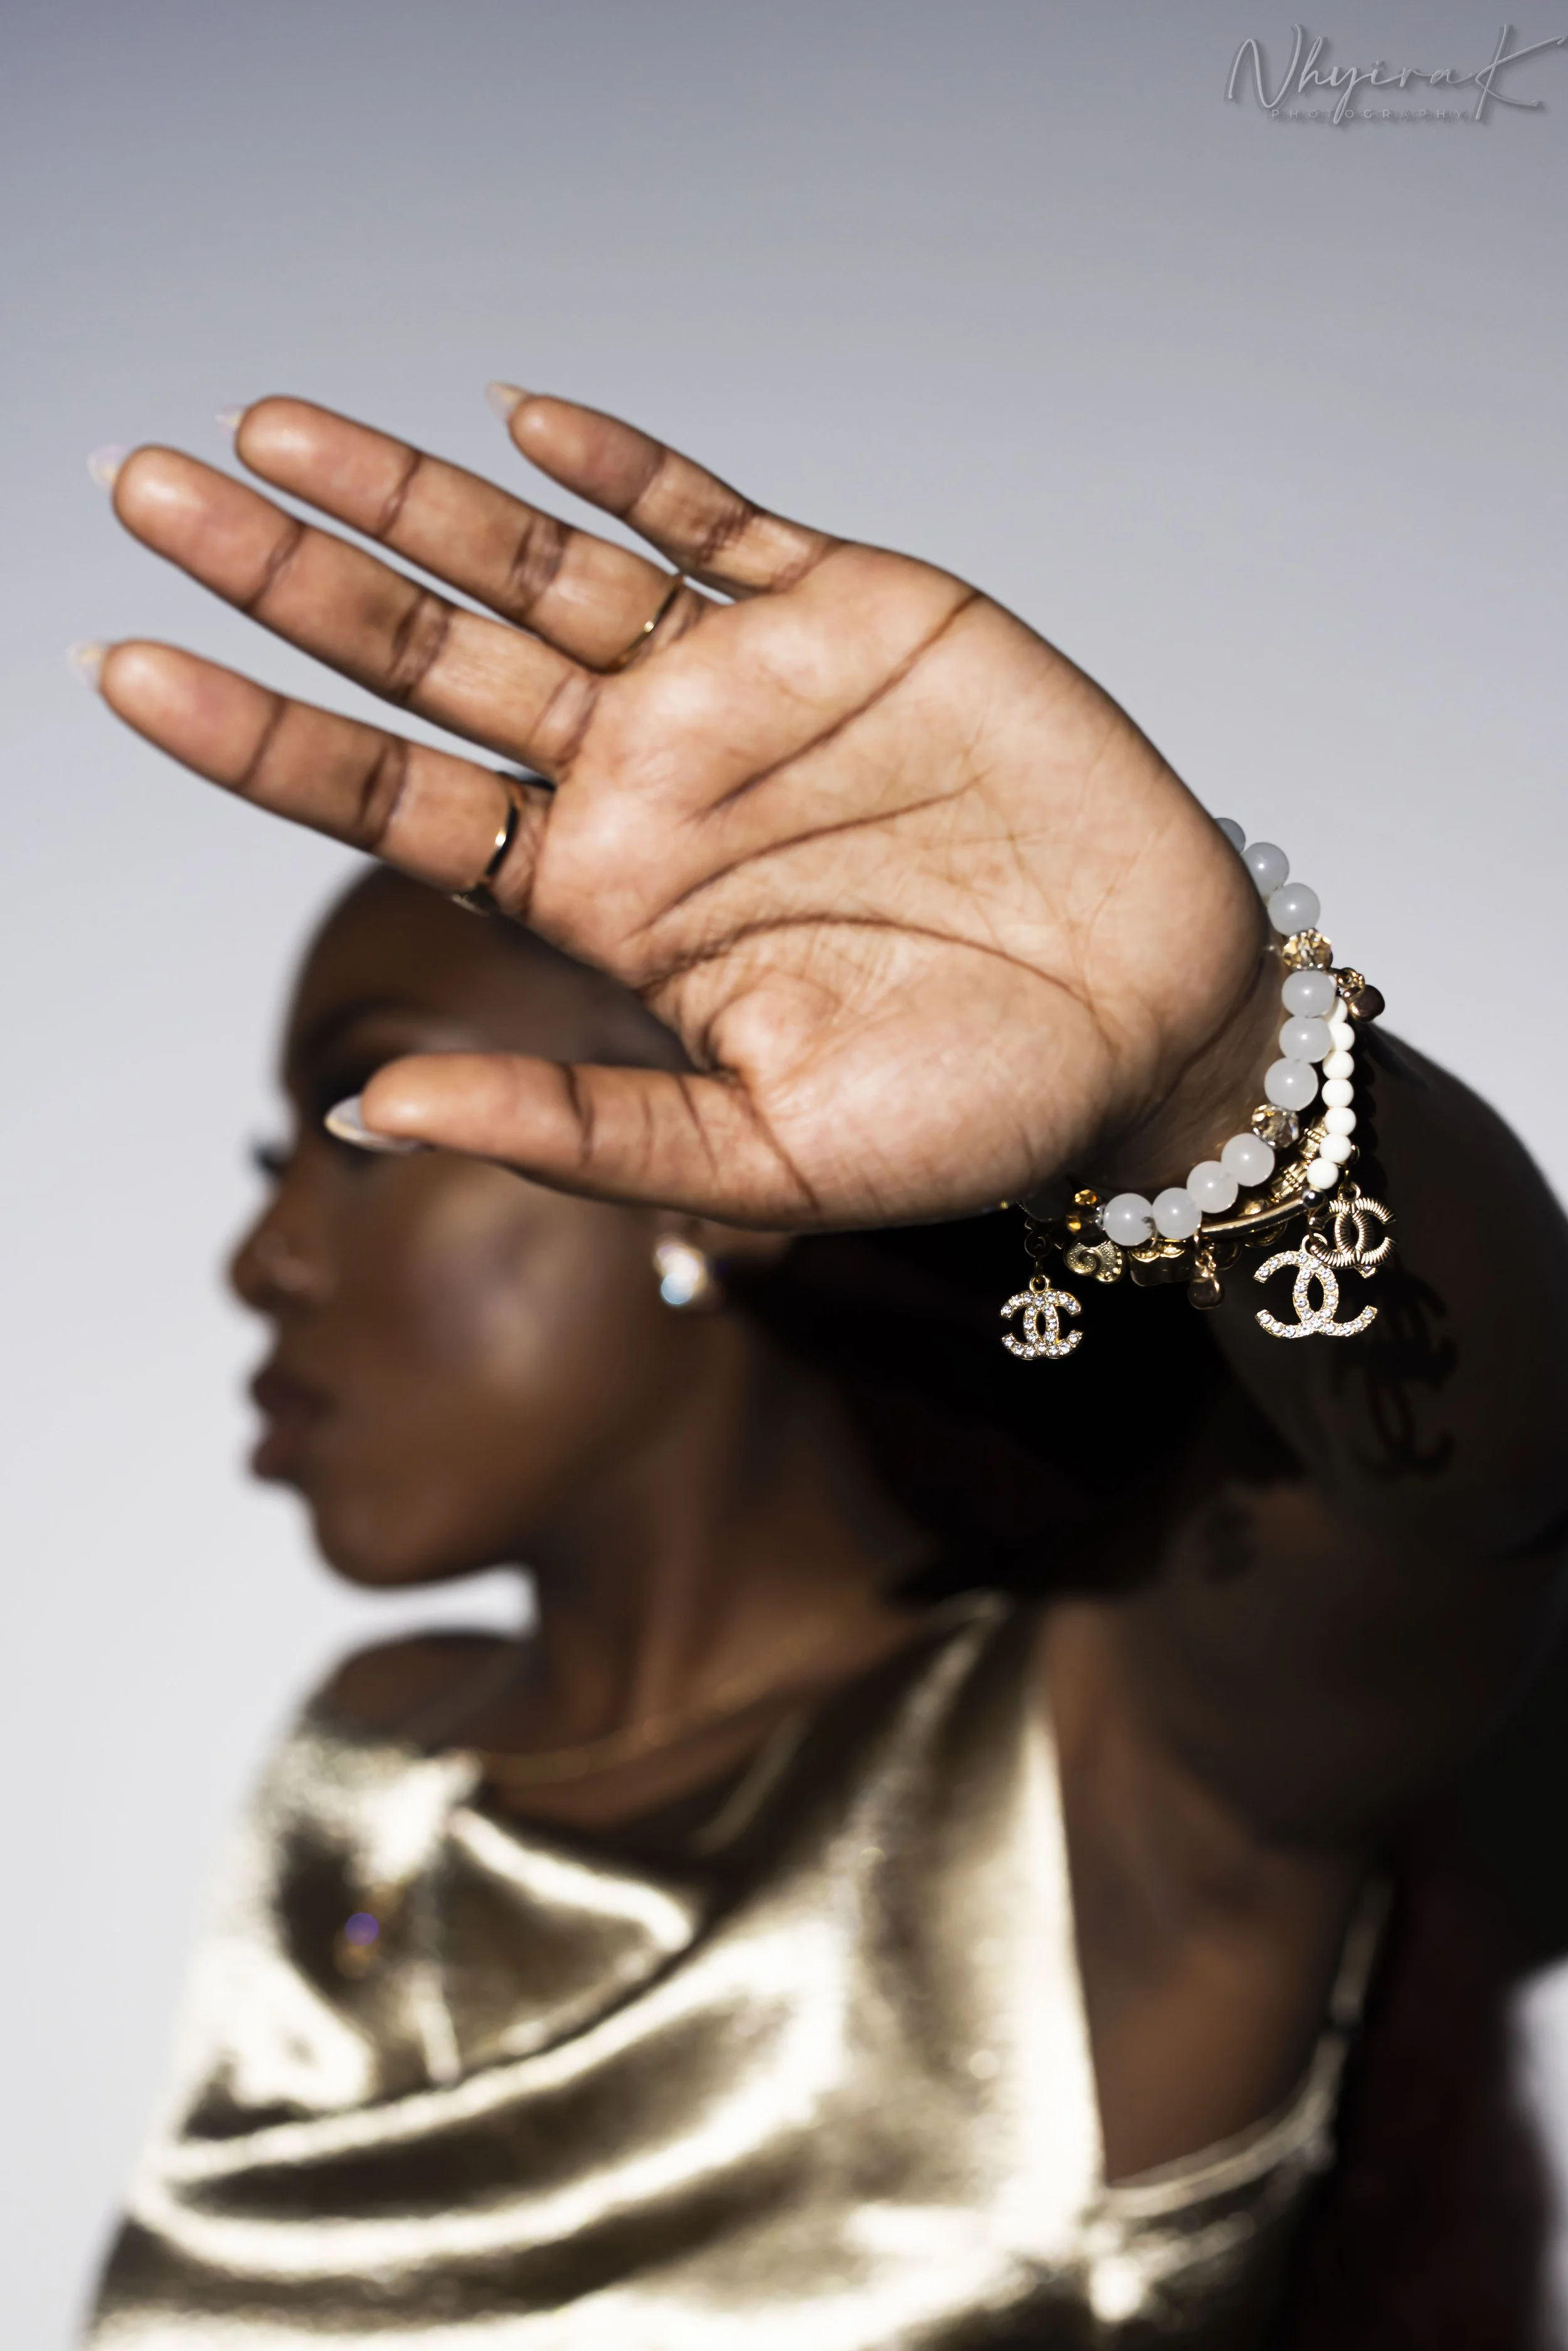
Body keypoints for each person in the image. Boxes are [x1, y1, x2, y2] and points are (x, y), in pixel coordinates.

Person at [77, 389, 1568, 2345]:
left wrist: (1215, 1072)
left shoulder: (1124, 1768)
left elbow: (1477, 1480)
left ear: (710, 1179)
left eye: (358, 1125)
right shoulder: (367, 1766)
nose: (261, 1255)